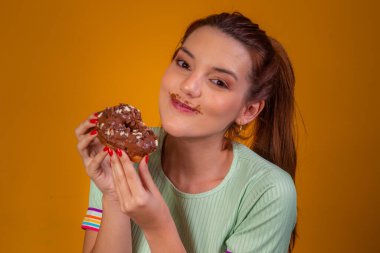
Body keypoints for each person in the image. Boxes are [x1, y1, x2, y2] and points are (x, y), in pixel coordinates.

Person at [75, 12, 297, 253]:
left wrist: (158, 226)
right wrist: (115, 197)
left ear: (248, 110)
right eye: (184, 64)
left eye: (219, 81)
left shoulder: (267, 193)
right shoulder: (122, 157)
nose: (188, 86)